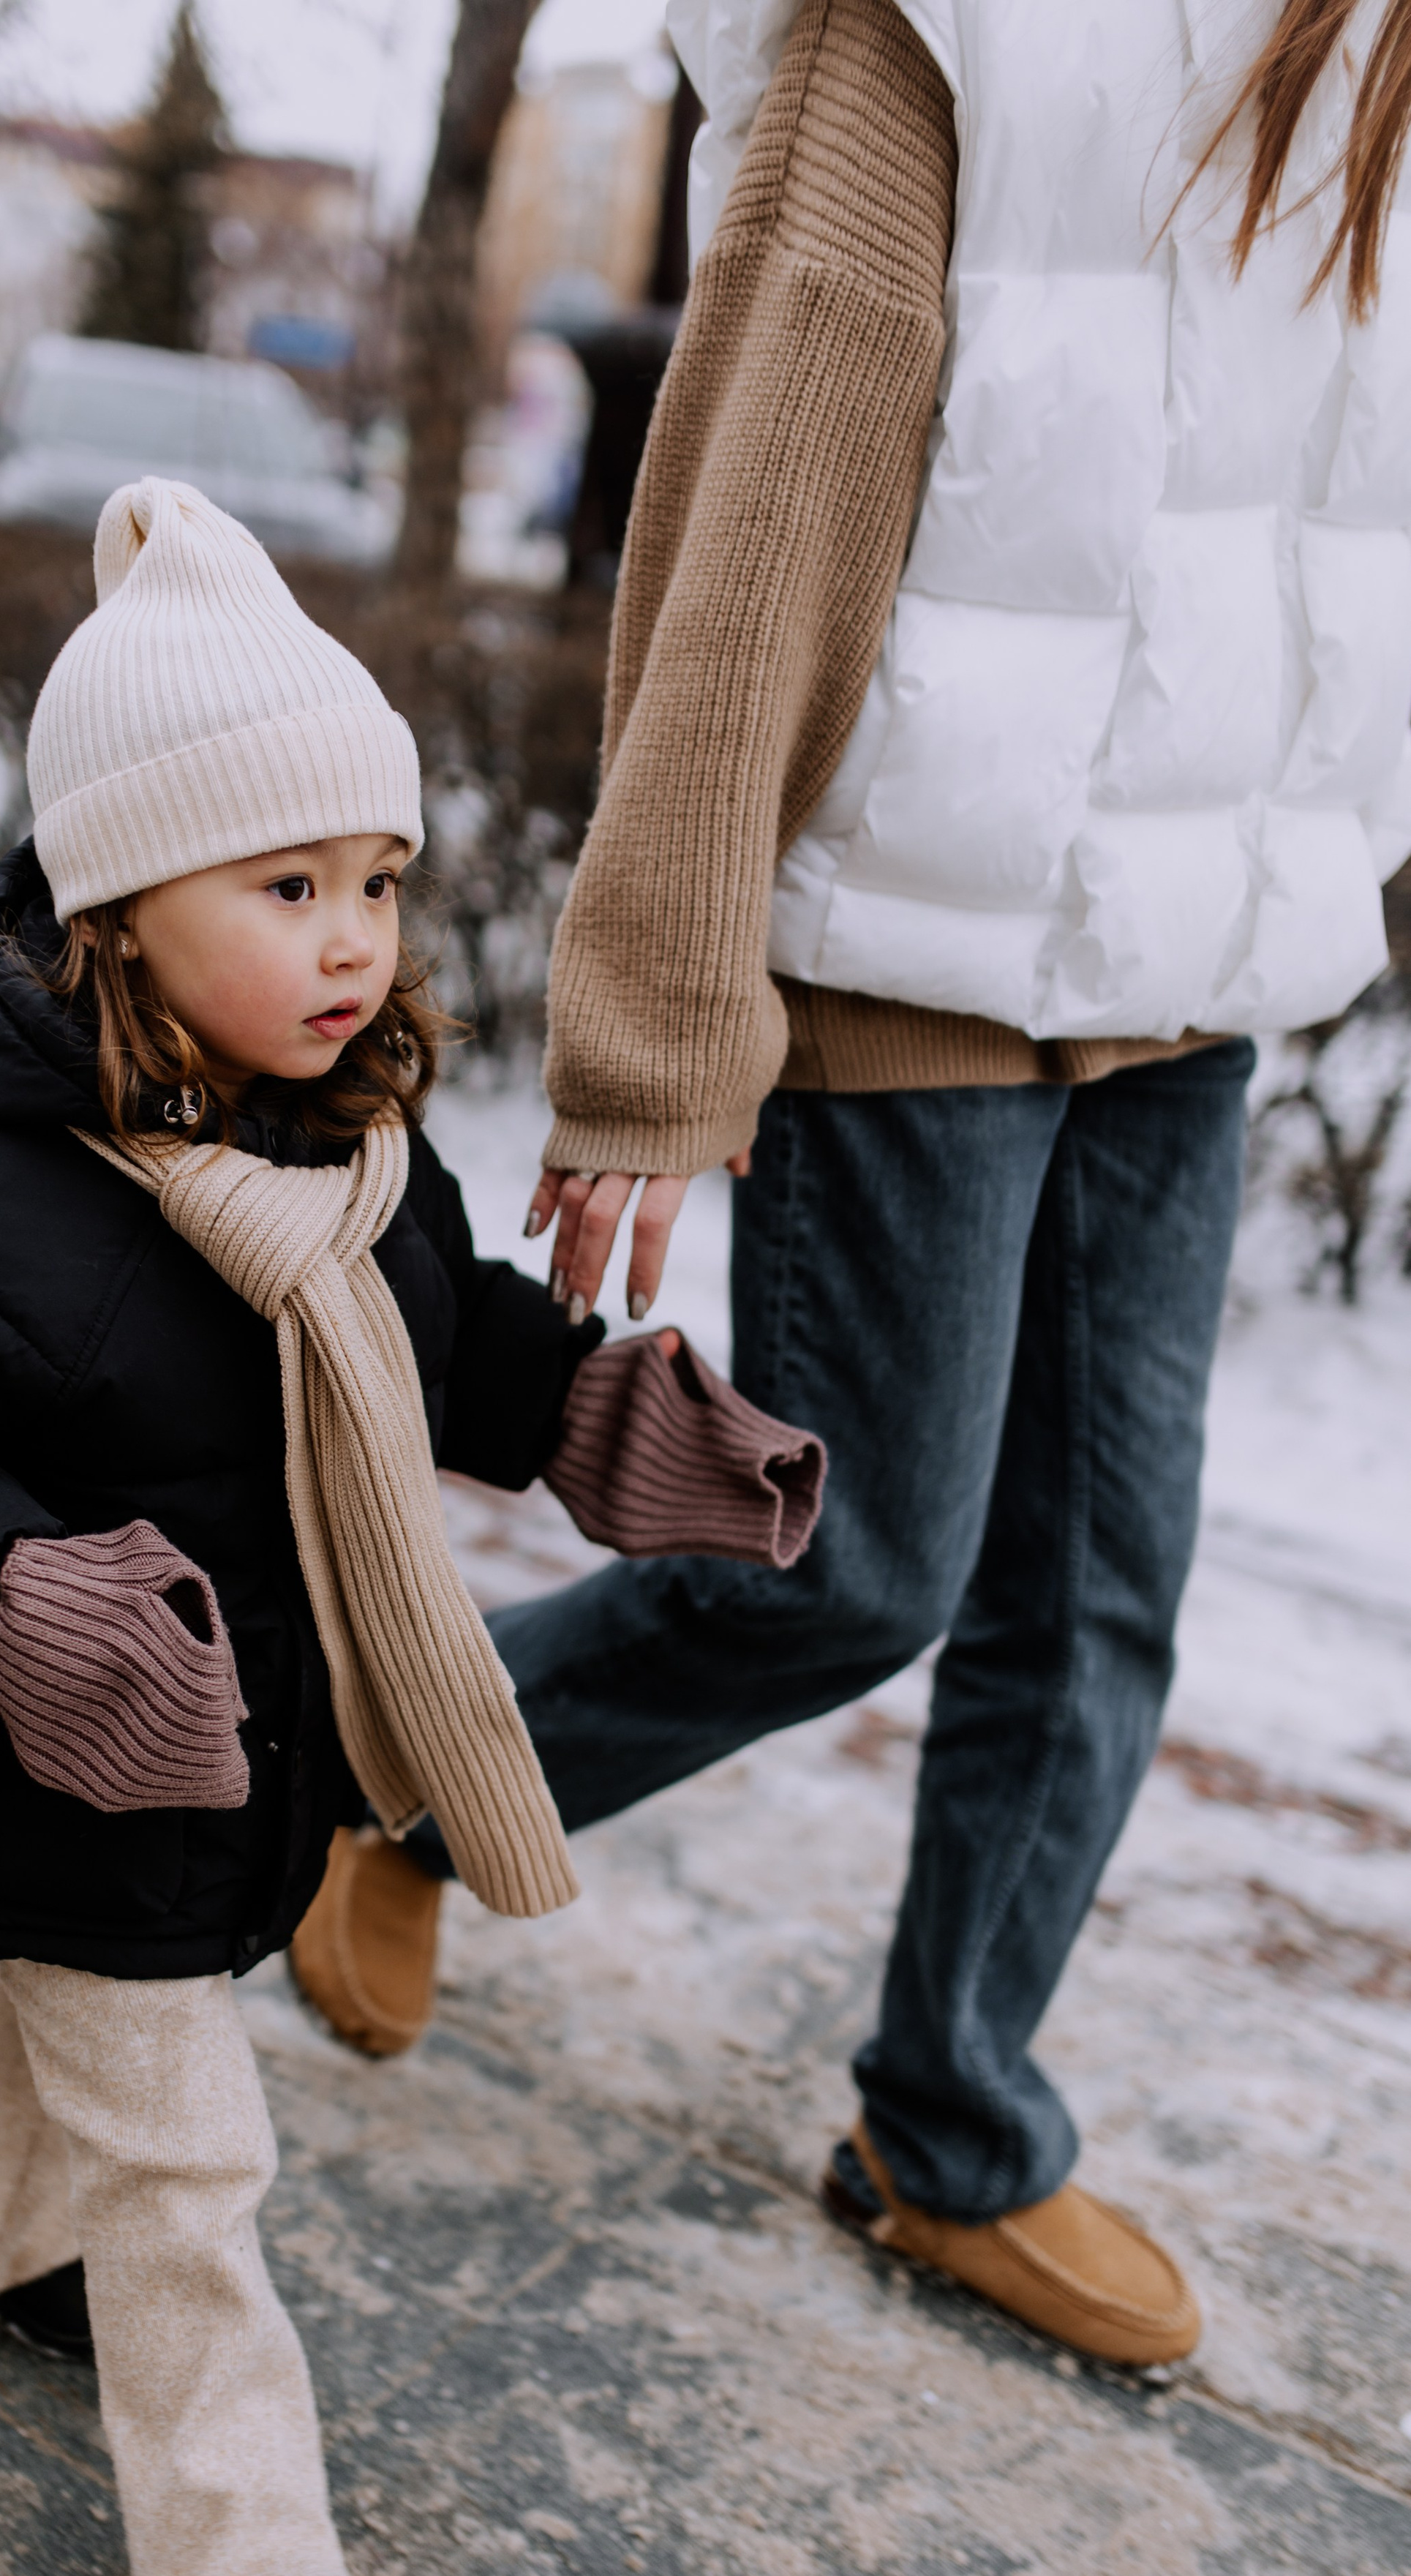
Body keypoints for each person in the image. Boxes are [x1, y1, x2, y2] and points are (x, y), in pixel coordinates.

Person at [291, 0, 1411, 2370]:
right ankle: (383, 1779)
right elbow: (750, 511)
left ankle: (953, 2122)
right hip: (910, 958)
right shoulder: (957, 36)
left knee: (1103, 1591)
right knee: (851, 1563)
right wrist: (665, 1020)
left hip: (1188, 979)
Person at [0, 478, 821, 2576]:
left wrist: (609, 1416)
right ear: (117, 910)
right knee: (192, 2159)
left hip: (222, 1773)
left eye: (380, 883)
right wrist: (14, 1596)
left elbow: (453, 1345)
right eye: (287, 885)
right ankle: (245, 2572)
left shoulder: (342, 1168)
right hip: (64, 1752)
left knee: (73, 2022)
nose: (353, 942)